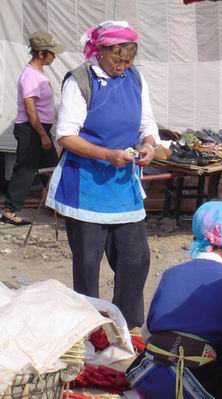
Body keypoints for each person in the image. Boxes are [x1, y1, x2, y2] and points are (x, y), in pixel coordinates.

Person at [46, 21, 160, 329]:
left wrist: (148, 144)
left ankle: (125, 324)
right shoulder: (80, 80)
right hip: (86, 186)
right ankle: (87, 329)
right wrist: (108, 155)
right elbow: (66, 135)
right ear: (100, 51)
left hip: (123, 187)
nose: (123, 66)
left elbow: (147, 124)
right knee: (87, 264)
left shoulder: (135, 77)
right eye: (117, 60)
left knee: (135, 259)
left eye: (128, 60)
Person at [126, 201, 222, 399]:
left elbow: (147, 333)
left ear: (196, 236)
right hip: (197, 384)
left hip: (148, 375)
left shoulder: (170, 274)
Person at [0, 31, 64, 226]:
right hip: (31, 128)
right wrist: (43, 135)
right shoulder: (30, 76)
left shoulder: (38, 74)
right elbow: (30, 109)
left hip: (38, 128)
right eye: (52, 53)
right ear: (41, 53)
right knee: (26, 169)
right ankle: (10, 212)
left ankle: (60, 206)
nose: (55, 56)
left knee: (53, 167)